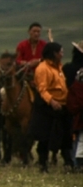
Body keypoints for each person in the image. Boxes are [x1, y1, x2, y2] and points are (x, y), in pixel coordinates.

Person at [30, 42, 70, 172]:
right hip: (47, 107)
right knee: (45, 136)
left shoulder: (59, 67)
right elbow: (42, 88)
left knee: (64, 135)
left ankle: (68, 162)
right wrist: (52, 101)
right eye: (60, 52)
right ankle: (43, 164)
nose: (62, 54)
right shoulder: (43, 68)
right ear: (54, 53)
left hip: (61, 106)